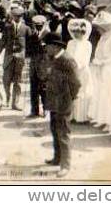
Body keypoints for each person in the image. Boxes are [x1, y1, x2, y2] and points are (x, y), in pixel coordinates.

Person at [44, 33, 80, 178]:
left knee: (63, 133)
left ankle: (65, 165)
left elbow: (76, 82)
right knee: (54, 129)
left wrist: (70, 97)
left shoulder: (67, 60)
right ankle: (57, 158)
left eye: (47, 46)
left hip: (64, 102)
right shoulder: (54, 58)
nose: (45, 48)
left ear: (55, 46)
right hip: (54, 101)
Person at [89, 11, 111, 130]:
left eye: (99, 28)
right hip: (101, 68)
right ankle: (101, 118)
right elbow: (99, 52)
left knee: (108, 94)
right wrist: (97, 60)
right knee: (101, 94)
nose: (98, 30)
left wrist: (103, 62)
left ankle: (109, 122)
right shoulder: (103, 38)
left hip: (110, 69)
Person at [0, 7, 31, 110]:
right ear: (12, 16)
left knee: (17, 81)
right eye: (15, 16)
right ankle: (7, 98)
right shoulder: (7, 27)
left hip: (20, 58)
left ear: (21, 17)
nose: (16, 18)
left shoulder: (26, 29)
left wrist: (28, 57)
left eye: (18, 17)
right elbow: (2, 42)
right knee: (6, 80)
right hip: (9, 57)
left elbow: (29, 44)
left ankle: (15, 103)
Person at [66, 19, 93, 123]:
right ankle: (72, 115)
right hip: (71, 70)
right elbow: (68, 55)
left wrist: (78, 66)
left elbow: (86, 58)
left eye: (81, 32)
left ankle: (82, 117)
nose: (78, 34)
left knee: (83, 92)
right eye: (76, 32)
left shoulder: (87, 44)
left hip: (82, 70)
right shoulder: (71, 43)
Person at [27, 15, 49, 118]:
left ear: (44, 24)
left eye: (40, 26)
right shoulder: (32, 35)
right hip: (34, 65)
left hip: (44, 65)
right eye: (37, 26)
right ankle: (34, 110)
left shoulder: (48, 35)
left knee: (44, 88)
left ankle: (46, 109)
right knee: (33, 88)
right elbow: (29, 51)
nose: (38, 27)